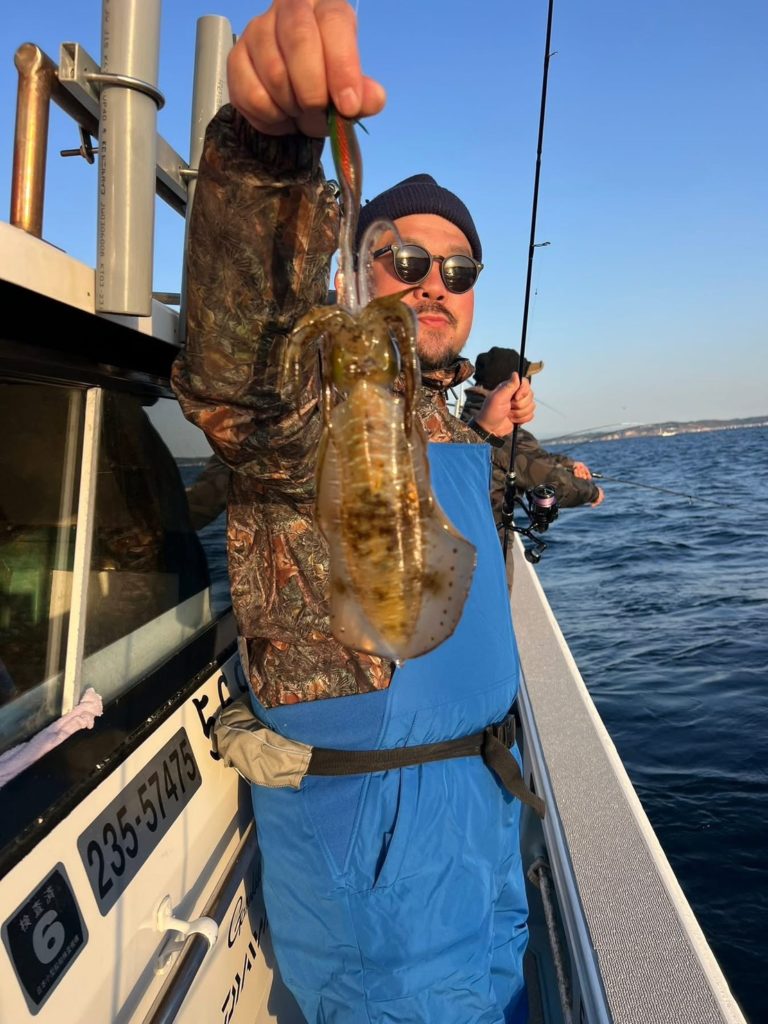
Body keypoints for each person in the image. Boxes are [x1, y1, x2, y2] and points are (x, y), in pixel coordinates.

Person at [172, 3, 538, 1021]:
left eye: (457, 271)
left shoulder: (452, 424)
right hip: (379, 860)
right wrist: (268, 157)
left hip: (482, 826)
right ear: (354, 267)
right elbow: (241, 374)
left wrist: (511, 442)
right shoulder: (313, 396)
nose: (432, 286)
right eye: (405, 260)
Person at [461, 346, 605, 526]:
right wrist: (593, 493)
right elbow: (552, 481)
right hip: (485, 537)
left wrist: (569, 464)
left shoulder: (464, 422)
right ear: (510, 386)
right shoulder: (502, 434)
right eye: (527, 380)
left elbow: (529, 458)